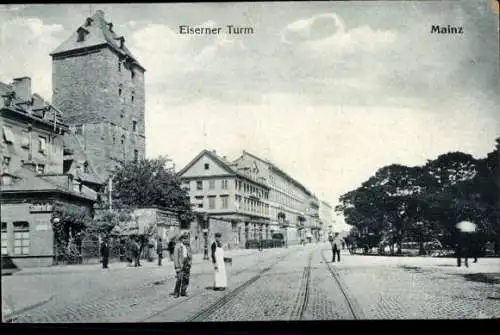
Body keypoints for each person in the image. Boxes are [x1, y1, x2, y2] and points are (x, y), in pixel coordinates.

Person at [172, 234, 192, 298]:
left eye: (187, 239)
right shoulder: (177, 246)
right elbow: (175, 257)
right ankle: (176, 293)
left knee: (186, 278)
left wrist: (190, 263)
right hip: (180, 264)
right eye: (184, 239)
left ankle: (183, 291)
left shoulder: (188, 246)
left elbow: (190, 255)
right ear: (182, 239)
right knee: (179, 279)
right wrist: (177, 267)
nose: (186, 240)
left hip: (187, 263)